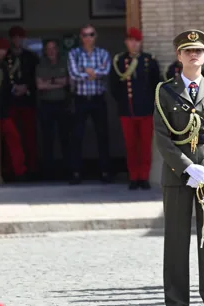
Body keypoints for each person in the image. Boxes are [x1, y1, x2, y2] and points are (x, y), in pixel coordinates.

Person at [154, 29, 204, 306]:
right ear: (179, 56)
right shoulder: (165, 91)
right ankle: (176, 305)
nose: (194, 55)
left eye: (198, 51)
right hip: (178, 175)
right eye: (188, 51)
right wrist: (187, 167)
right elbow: (162, 137)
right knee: (175, 241)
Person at [111, 27, 161, 190]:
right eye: (130, 41)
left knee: (145, 145)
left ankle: (144, 177)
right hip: (127, 110)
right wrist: (122, 102)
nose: (133, 44)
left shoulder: (149, 60)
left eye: (136, 41)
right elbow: (113, 86)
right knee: (130, 146)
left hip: (145, 110)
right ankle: (133, 177)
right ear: (126, 42)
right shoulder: (119, 61)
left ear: (140, 43)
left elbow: (156, 84)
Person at [68, 24, 112, 185]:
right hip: (80, 99)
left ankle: (105, 172)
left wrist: (86, 71)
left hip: (97, 98)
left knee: (102, 135)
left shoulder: (103, 53)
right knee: (77, 136)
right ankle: (76, 173)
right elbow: (73, 73)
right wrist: (94, 72)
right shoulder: (74, 53)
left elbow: (106, 71)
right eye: (85, 35)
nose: (88, 38)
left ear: (96, 36)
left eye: (91, 34)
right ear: (81, 37)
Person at [6, 26, 40, 178]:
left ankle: (31, 168)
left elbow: (37, 77)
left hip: (28, 101)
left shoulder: (31, 57)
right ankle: (12, 169)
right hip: (11, 102)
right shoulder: (6, 56)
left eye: (20, 37)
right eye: (14, 37)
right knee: (12, 137)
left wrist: (26, 87)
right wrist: (14, 88)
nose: (17, 40)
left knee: (29, 136)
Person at [36, 40, 70, 180]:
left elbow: (68, 81)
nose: (51, 51)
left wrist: (49, 82)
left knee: (65, 138)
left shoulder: (64, 63)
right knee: (47, 139)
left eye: (53, 48)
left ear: (57, 49)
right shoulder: (40, 65)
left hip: (63, 104)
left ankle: (68, 171)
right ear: (45, 51)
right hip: (46, 105)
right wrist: (58, 82)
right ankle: (48, 173)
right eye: (48, 49)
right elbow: (40, 86)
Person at [0, 37, 27, 181]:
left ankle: (17, 171)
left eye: (4, 49)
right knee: (11, 139)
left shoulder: (3, 65)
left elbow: (7, 86)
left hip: (5, 110)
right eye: (0, 49)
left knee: (11, 140)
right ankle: (16, 172)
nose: (2, 52)